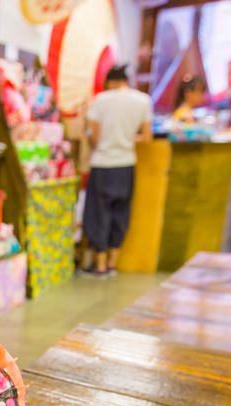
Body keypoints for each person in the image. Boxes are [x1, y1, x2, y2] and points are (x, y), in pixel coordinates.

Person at [80, 65, 153, 277]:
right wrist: (127, 139)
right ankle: (113, 263)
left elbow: (94, 137)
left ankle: (100, 265)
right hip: (127, 164)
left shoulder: (101, 100)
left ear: (110, 82)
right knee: (121, 213)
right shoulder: (142, 101)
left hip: (103, 163)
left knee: (98, 214)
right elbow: (146, 137)